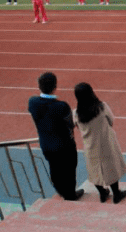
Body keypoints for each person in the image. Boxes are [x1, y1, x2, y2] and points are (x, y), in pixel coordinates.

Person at [28, 72, 84, 201]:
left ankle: (61, 191)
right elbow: (70, 124)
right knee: (69, 171)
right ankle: (70, 195)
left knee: (54, 169)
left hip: (46, 145)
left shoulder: (33, 102)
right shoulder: (61, 106)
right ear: (55, 86)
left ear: (39, 86)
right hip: (65, 145)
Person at [72, 82, 126, 203]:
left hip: (90, 146)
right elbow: (111, 121)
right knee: (111, 168)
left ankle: (102, 193)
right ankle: (117, 194)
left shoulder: (76, 113)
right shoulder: (102, 107)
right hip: (106, 143)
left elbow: (75, 126)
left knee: (94, 171)